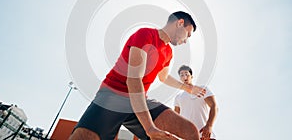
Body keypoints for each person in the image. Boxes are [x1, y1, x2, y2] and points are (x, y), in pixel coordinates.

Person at [69, 11, 206, 140]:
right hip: (113, 94)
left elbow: (163, 77)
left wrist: (188, 88)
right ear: (180, 23)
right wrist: (150, 127)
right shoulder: (146, 34)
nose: (186, 41)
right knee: (83, 137)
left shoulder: (168, 52)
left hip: (139, 99)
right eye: (188, 35)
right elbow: (133, 81)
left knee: (190, 131)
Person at [174, 65, 218, 140]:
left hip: (205, 136)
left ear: (191, 76)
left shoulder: (202, 89)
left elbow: (214, 106)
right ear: (180, 79)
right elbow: (175, 118)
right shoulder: (178, 97)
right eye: (182, 75)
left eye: (187, 74)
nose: (184, 77)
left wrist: (209, 125)